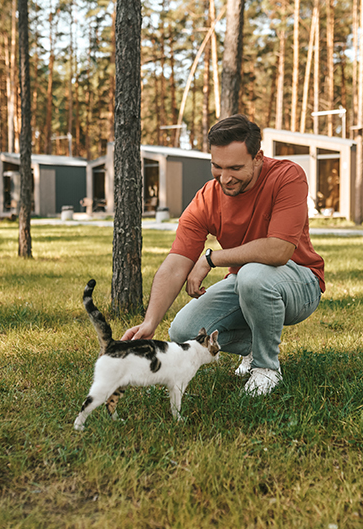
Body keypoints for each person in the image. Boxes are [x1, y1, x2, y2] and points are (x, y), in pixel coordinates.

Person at [121, 114, 325, 396]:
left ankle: (266, 368)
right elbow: (175, 265)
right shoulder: (207, 198)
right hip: (246, 283)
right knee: (184, 332)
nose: (225, 178)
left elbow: (279, 250)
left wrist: (210, 258)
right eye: (217, 167)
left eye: (235, 168)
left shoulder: (287, 177)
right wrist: (150, 323)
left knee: (252, 275)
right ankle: (254, 347)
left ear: (258, 158)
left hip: (300, 282)